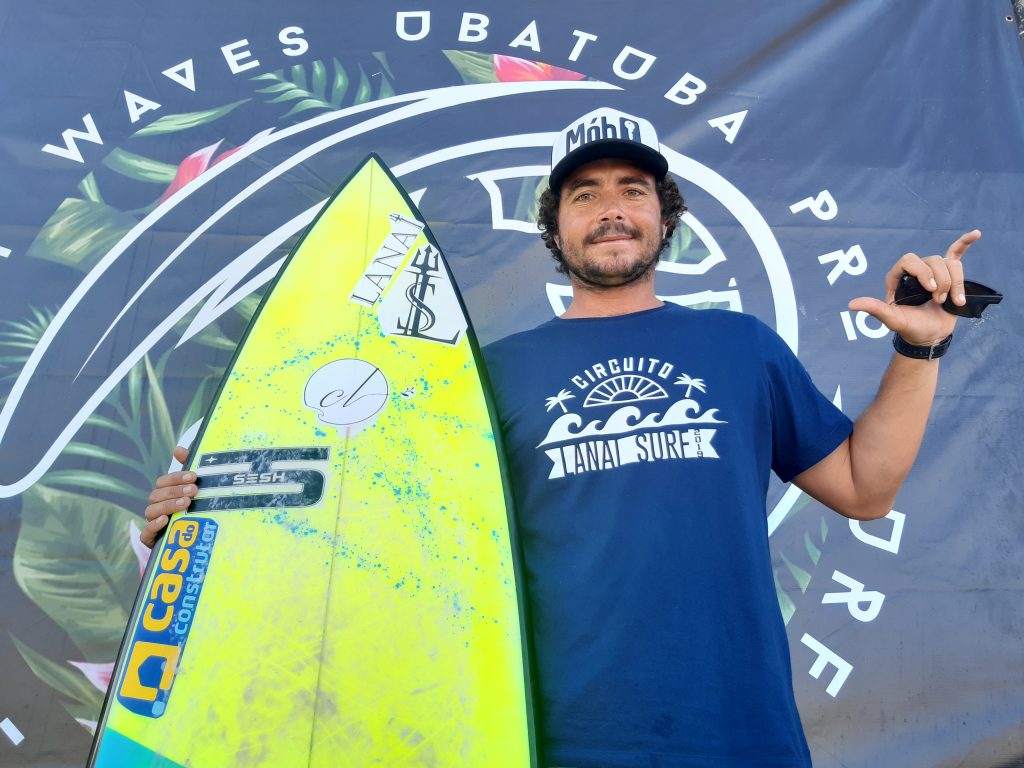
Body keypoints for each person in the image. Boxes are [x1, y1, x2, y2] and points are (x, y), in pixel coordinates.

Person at [141, 108, 980, 767]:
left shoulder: (741, 345)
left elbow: (866, 489)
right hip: (548, 740)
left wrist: (919, 346)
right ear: (555, 225)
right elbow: (370, 537)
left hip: (740, 734)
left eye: (631, 189)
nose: (611, 209)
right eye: (584, 194)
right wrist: (202, 520)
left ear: (663, 214)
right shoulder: (484, 379)